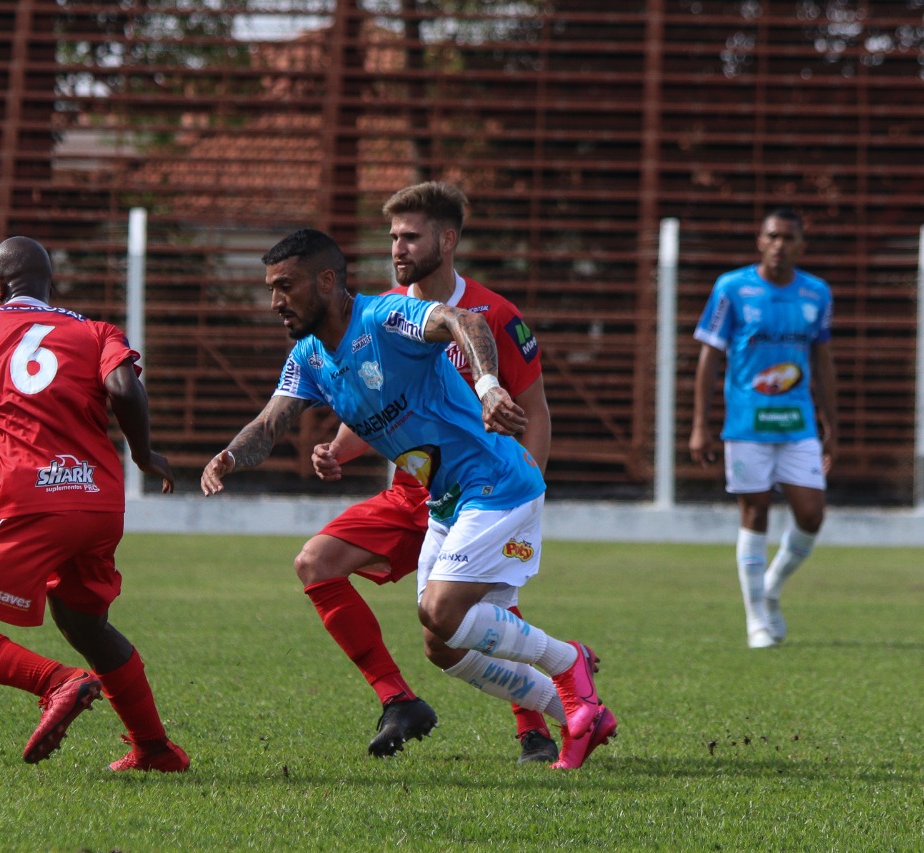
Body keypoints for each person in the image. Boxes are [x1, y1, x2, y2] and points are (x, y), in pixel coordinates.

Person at [201, 228, 616, 770]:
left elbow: (462, 320)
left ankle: (569, 663)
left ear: (327, 281)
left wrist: (488, 384)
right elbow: (270, 421)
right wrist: (228, 457)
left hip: (495, 482)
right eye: (271, 288)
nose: (276, 301)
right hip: (444, 499)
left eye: (286, 287)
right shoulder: (307, 356)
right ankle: (579, 716)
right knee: (442, 645)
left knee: (440, 611)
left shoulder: (381, 318)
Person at [0, 236, 189, 771]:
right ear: (47, 285)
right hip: (101, 502)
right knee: (85, 624)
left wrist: (25, 458)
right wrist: (145, 453)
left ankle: (57, 683)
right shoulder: (95, 330)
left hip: (34, 501)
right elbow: (125, 389)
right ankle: (154, 749)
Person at [294, 182, 558, 762]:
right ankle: (398, 701)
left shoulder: (495, 314)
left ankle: (535, 727)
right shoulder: (380, 314)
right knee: (316, 563)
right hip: (411, 495)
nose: (397, 247)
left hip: (485, 489)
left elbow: (535, 410)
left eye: (410, 236)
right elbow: (376, 408)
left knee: (474, 617)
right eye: (392, 237)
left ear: (447, 239)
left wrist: (526, 487)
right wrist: (337, 450)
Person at [690, 207, 837, 649]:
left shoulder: (816, 293)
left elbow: (822, 358)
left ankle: (770, 587)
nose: (779, 244)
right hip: (747, 422)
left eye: (788, 237)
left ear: (800, 245)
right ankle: (757, 621)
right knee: (754, 513)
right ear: (760, 240)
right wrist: (700, 423)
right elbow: (709, 356)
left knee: (812, 514)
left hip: (798, 423)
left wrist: (832, 419)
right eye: (772, 236)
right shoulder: (731, 288)